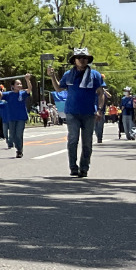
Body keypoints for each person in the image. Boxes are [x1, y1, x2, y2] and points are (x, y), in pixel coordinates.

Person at [48, 48, 107, 178]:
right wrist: (52, 76)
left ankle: (84, 168)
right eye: (79, 58)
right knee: (73, 139)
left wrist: (99, 110)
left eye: (85, 58)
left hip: (89, 112)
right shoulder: (69, 74)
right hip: (72, 112)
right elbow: (58, 88)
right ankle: (73, 166)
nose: (82, 60)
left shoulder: (95, 75)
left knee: (87, 142)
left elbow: (101, 93)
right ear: (74, 60)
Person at [1, 76, 32, 158]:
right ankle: (17, 148)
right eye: (17, 84)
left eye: (20, 84)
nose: (19, 85)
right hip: (11, 118)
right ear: (13, 86)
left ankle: (19, 150)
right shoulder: (8, 94)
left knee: (19, 134)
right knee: (12, 135)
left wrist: (27, 80)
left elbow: (29, 89)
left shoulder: (22, 93)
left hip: (21, 117)